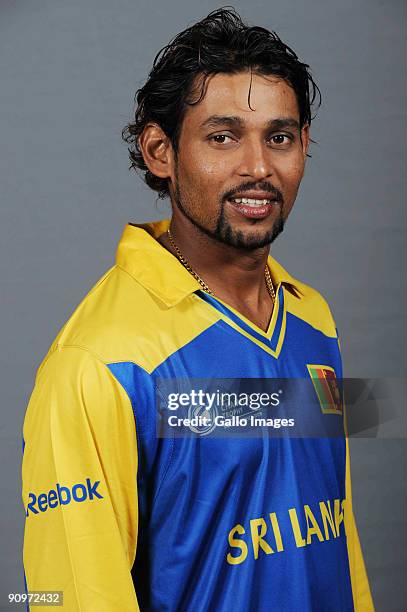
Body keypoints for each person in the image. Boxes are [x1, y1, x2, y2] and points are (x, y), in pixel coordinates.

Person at [22, 8, 374, 611]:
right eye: (222, 136)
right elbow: (73, 597)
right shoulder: (98, 363)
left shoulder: (316, 320)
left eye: (279, 137)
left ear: (305, 148)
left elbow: (335, 531)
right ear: (160, 151)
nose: (258, 168)